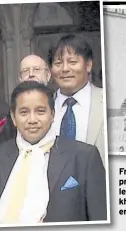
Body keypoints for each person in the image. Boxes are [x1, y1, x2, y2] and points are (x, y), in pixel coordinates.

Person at [0, 81, 106, 224]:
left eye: (40, 111)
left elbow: (100, 220)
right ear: (13, 117)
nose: (32, 120)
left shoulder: (84, 157)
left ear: (52, 114)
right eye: (24, 112)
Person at [47, 33, 106, 166]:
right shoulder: (44, 107)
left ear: (88, 65)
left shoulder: (108, 102)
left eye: (73, 62)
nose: (65, 69)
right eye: (58, 63)